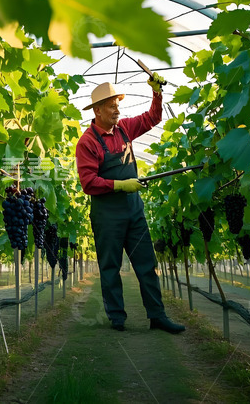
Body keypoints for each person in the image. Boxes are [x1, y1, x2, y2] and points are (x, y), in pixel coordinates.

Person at [75, 75, 185, 334]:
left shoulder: (125, 128)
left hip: (133, 212)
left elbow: (152, 118)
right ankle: (117, 318)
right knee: (110, 266)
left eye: (117, 103)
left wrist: (157, 93)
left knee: (147, 264)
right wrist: (121, 185)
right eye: (111, 105)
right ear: (98, 110)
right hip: (107, 216)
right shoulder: (87, 142)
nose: (117, 108)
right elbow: (88, 182)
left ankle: (157, 316)